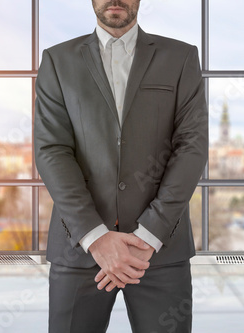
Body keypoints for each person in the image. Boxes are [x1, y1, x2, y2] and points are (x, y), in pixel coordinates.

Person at [34, 0, 208, 332]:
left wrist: (148, 236)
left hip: (160, 252)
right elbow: (52, 149)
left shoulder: (181, 58)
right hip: (79, 248)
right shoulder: (58, 60)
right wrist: (96, 237)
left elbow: (191, 147)